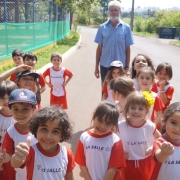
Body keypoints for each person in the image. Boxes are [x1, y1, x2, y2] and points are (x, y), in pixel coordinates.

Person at [11, 106, 75, 180]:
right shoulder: (31, 151)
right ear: (36, 130)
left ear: (62, 135)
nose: (48, 136)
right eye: (44, 129)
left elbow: (69, 175)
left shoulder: (67, 153)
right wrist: (18, 157)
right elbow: (15, 164)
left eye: (55, 131)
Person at [75, 101, 126, 180]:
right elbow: (82, 164)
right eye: (100, 120)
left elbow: (113, 168)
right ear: (94, 115)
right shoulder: (84, 137)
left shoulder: (115, 141)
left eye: (108, 123)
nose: (102, 126)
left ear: (114, 124)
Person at [117, 91, 161, 180]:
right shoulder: (120, 126)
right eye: (133, 108)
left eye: (141, 109)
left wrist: (153, 147)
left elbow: (160, 138)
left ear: (146, 111)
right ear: (127, 109)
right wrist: (119, 152)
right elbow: (111, 142)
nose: (136, 111)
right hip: (126, 162)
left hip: (146, 162)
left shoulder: (150, 126)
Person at [1, 88, 37, 180]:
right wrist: (4, 158)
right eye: (15, 109)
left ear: (33, 109)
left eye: (25, 109)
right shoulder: (11, 131)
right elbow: (8, 153)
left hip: (40, 173)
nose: (20, 113)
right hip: (21, 176)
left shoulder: (41, 128)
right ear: (11, 110)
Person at [94, 0, 134, 83]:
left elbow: (127, 49)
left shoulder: (126, 28)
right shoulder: (102, 28)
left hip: (120, 67)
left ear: (120, 12)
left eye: (116, 10)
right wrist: (96, 67)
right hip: (105, 66)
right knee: (105, 91)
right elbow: (99, 48)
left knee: (120, 90)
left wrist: (127, 67)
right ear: (109, 12)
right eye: (111, 10)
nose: (113, 12)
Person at [151, 102, 179, 180]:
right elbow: (159, 157)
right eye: (173, 123)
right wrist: (164, 153)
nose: (177, 129)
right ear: (165, 121)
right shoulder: (158, 142)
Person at [0, 80, 18, 180]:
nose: (6, 101)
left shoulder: (23, 116)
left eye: (9, 98)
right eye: (2, 98)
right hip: (2, 159)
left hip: (20, 157)